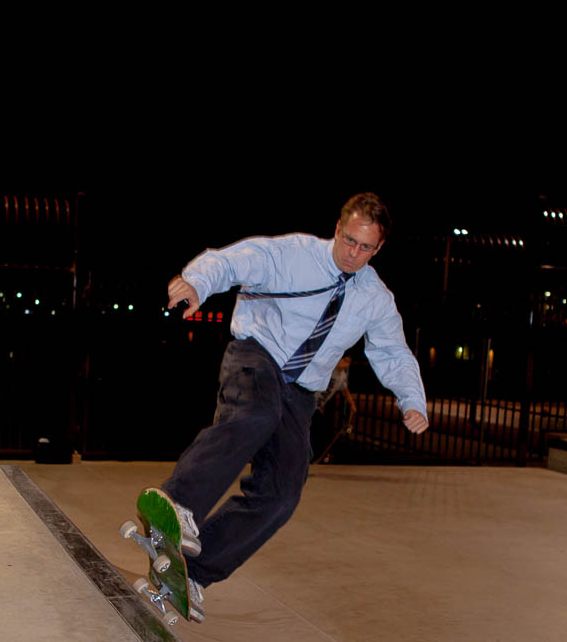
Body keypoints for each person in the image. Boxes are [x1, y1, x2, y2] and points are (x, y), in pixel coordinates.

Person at [159, 192, 429, 618]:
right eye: (349, 241)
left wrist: (412, 399)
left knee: (282, 493)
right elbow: (235, 260)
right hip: (256, 356)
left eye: (365, 248)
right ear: (337, 230)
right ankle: (176, 504)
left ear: (378, 249)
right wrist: (198, 281)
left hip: (301, 391)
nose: (353, 254)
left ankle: (191, 571)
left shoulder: (374, 297)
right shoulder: (293, 254)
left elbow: (392, 351)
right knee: (256, 415)